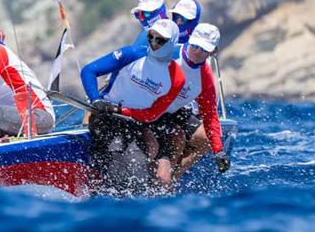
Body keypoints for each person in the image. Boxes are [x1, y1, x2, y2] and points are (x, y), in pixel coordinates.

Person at [80, 18, 184, 187]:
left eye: (160, 40)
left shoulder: (177, 78)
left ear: (172, 43)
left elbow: (152, 114)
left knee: (141, 163)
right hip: (107, 116)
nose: (153, 43)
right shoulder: (132, 54)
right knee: (118, 163)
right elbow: (89, 71)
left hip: (136, 121)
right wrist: (96, 99)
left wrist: (121, 111)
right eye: (151, 37)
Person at [150, 23, 230, 178]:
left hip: (174, 113)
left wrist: (218, 151)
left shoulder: (205, 77)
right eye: (195, 46)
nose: (197, 52)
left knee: (208, 138)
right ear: (189, 40)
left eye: (204, 49)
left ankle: (174, 175)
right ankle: (162, 176)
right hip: (149, 111)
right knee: (177, 137)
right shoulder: (168, 54)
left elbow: (210, 115)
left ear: (213, 51)